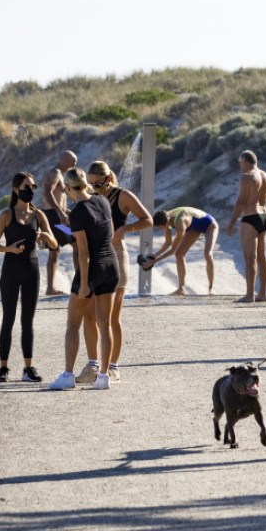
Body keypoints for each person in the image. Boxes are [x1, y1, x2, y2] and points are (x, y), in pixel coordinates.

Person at [49, 167, 120, 391]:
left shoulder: (78, 211)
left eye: (66, 190)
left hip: (92, 268)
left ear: (69, 188)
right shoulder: (102, 201)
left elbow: (83, 251)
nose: (67, 194)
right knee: (105, 323)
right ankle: (103, 377)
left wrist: (84, 285)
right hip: (111, 265)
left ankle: (68, 375)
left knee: (72, 323)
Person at [0, 172, 58, 383]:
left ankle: (28, 368)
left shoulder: (38, 216)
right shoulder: (6, 215)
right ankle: (3, 368)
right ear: (16, 189)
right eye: (26, 187)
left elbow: (55, 244)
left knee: (28, 321)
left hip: (32, 271)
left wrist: (46, 236)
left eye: (33, 187)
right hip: (10, 271)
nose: (30, 191)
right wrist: (9, 249)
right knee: (8, 319)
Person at [86, 160, 152, 383]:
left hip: (116, 254)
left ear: (106, 178)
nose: (93, 187)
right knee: (91, 315)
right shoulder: (91, 195)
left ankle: (113, 366)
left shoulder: (123, 195)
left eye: (96, 183)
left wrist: (126, 228)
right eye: (90, 183)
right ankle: (93, 364)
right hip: (95, 257)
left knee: (112, 318)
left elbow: (147, 219)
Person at [226, 150, 266, 303]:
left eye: (240, 162)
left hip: (250, 217)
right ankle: (262, 294)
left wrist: (231, 223)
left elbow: (241, 202)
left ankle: (249, 295)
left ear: (247, 162)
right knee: (263, 257)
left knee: (250, 257)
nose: (240, 165)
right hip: (264, 217)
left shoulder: (247, 177)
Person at [143, 207, 219, 295]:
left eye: (162, 227)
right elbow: (168, 243)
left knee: (207, 254)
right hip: (194, 228)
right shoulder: (166, 218)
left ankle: (211, 288)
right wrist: (154, 256)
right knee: (179, 254)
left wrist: (155, 261)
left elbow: (172, 250)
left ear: (167, 222)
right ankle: (181, 289)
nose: (162, 229)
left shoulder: (180, 222)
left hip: (210, 225)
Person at [39, 149, 77, 295]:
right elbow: (47, 193)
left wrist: (65, 211)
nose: (73, 166)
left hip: (55, 216)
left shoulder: (60, 174)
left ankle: (50, 288)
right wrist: (60, 212)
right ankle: (78, 283)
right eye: (72, 163)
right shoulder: (54, 173)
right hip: (54, 218)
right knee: (77, 241)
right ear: (64, 159)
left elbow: (57, 198)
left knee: (55, 251)